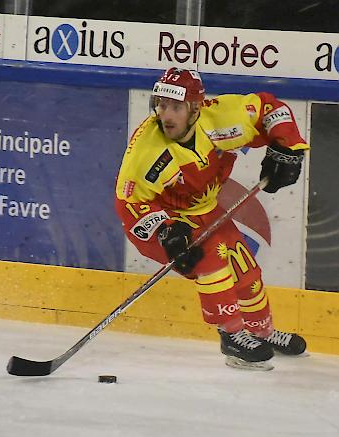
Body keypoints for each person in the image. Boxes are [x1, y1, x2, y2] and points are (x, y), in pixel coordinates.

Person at [114, 67, 309, 370]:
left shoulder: (221, 119)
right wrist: (165, 233)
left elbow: (270, 109)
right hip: (163, 220)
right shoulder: (145, 152)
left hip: (204, 209)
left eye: (176, 107)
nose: (166, 114)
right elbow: (128, 204)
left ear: (195, 108)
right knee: (210, 262)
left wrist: (288, 147)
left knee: (245, 266)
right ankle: (231, 335)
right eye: (161, 105)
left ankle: (261, 331)